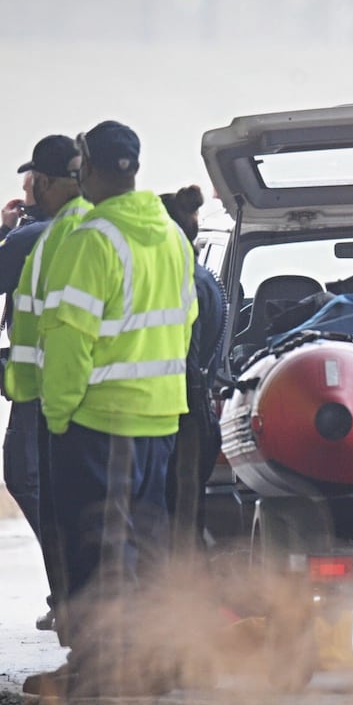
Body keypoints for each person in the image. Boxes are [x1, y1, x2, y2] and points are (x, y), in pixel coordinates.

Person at [25, 122, 196, 694]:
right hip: (160, 417)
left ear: (90, 169)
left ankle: (101, 673)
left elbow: (70, 338)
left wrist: (57, 413)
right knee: (146, 546)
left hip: (103, 419)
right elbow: (189, 318)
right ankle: (157, 664)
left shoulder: (93, 239)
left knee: (102, 549)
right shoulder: (171, 235)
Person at [0, 135, 81, 543]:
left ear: (45, 183)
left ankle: (65, 577)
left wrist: (3, 230)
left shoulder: (28, 238)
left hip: (38, 386)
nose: (24, 189)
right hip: (95, 383)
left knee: (26, 477)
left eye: (30, 181)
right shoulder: (99, 229)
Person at [159, 186, 228, 549]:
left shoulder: (183, 279)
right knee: (187, 519)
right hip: (198, 415)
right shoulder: (200, 277)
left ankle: (181, 600)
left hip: (183, 414)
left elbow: (187, 357)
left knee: (177, 528)